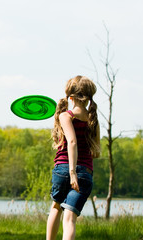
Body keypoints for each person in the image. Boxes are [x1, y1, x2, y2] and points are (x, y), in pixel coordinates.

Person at [46, 76, 100, 240]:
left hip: (64, 170)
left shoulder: (66, 116)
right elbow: (97, 152)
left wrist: (72, 172)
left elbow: (72, 142)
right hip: (85, 173)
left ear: (71, 97)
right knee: (70, 220)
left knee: (56, 207)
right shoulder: (93, 120)